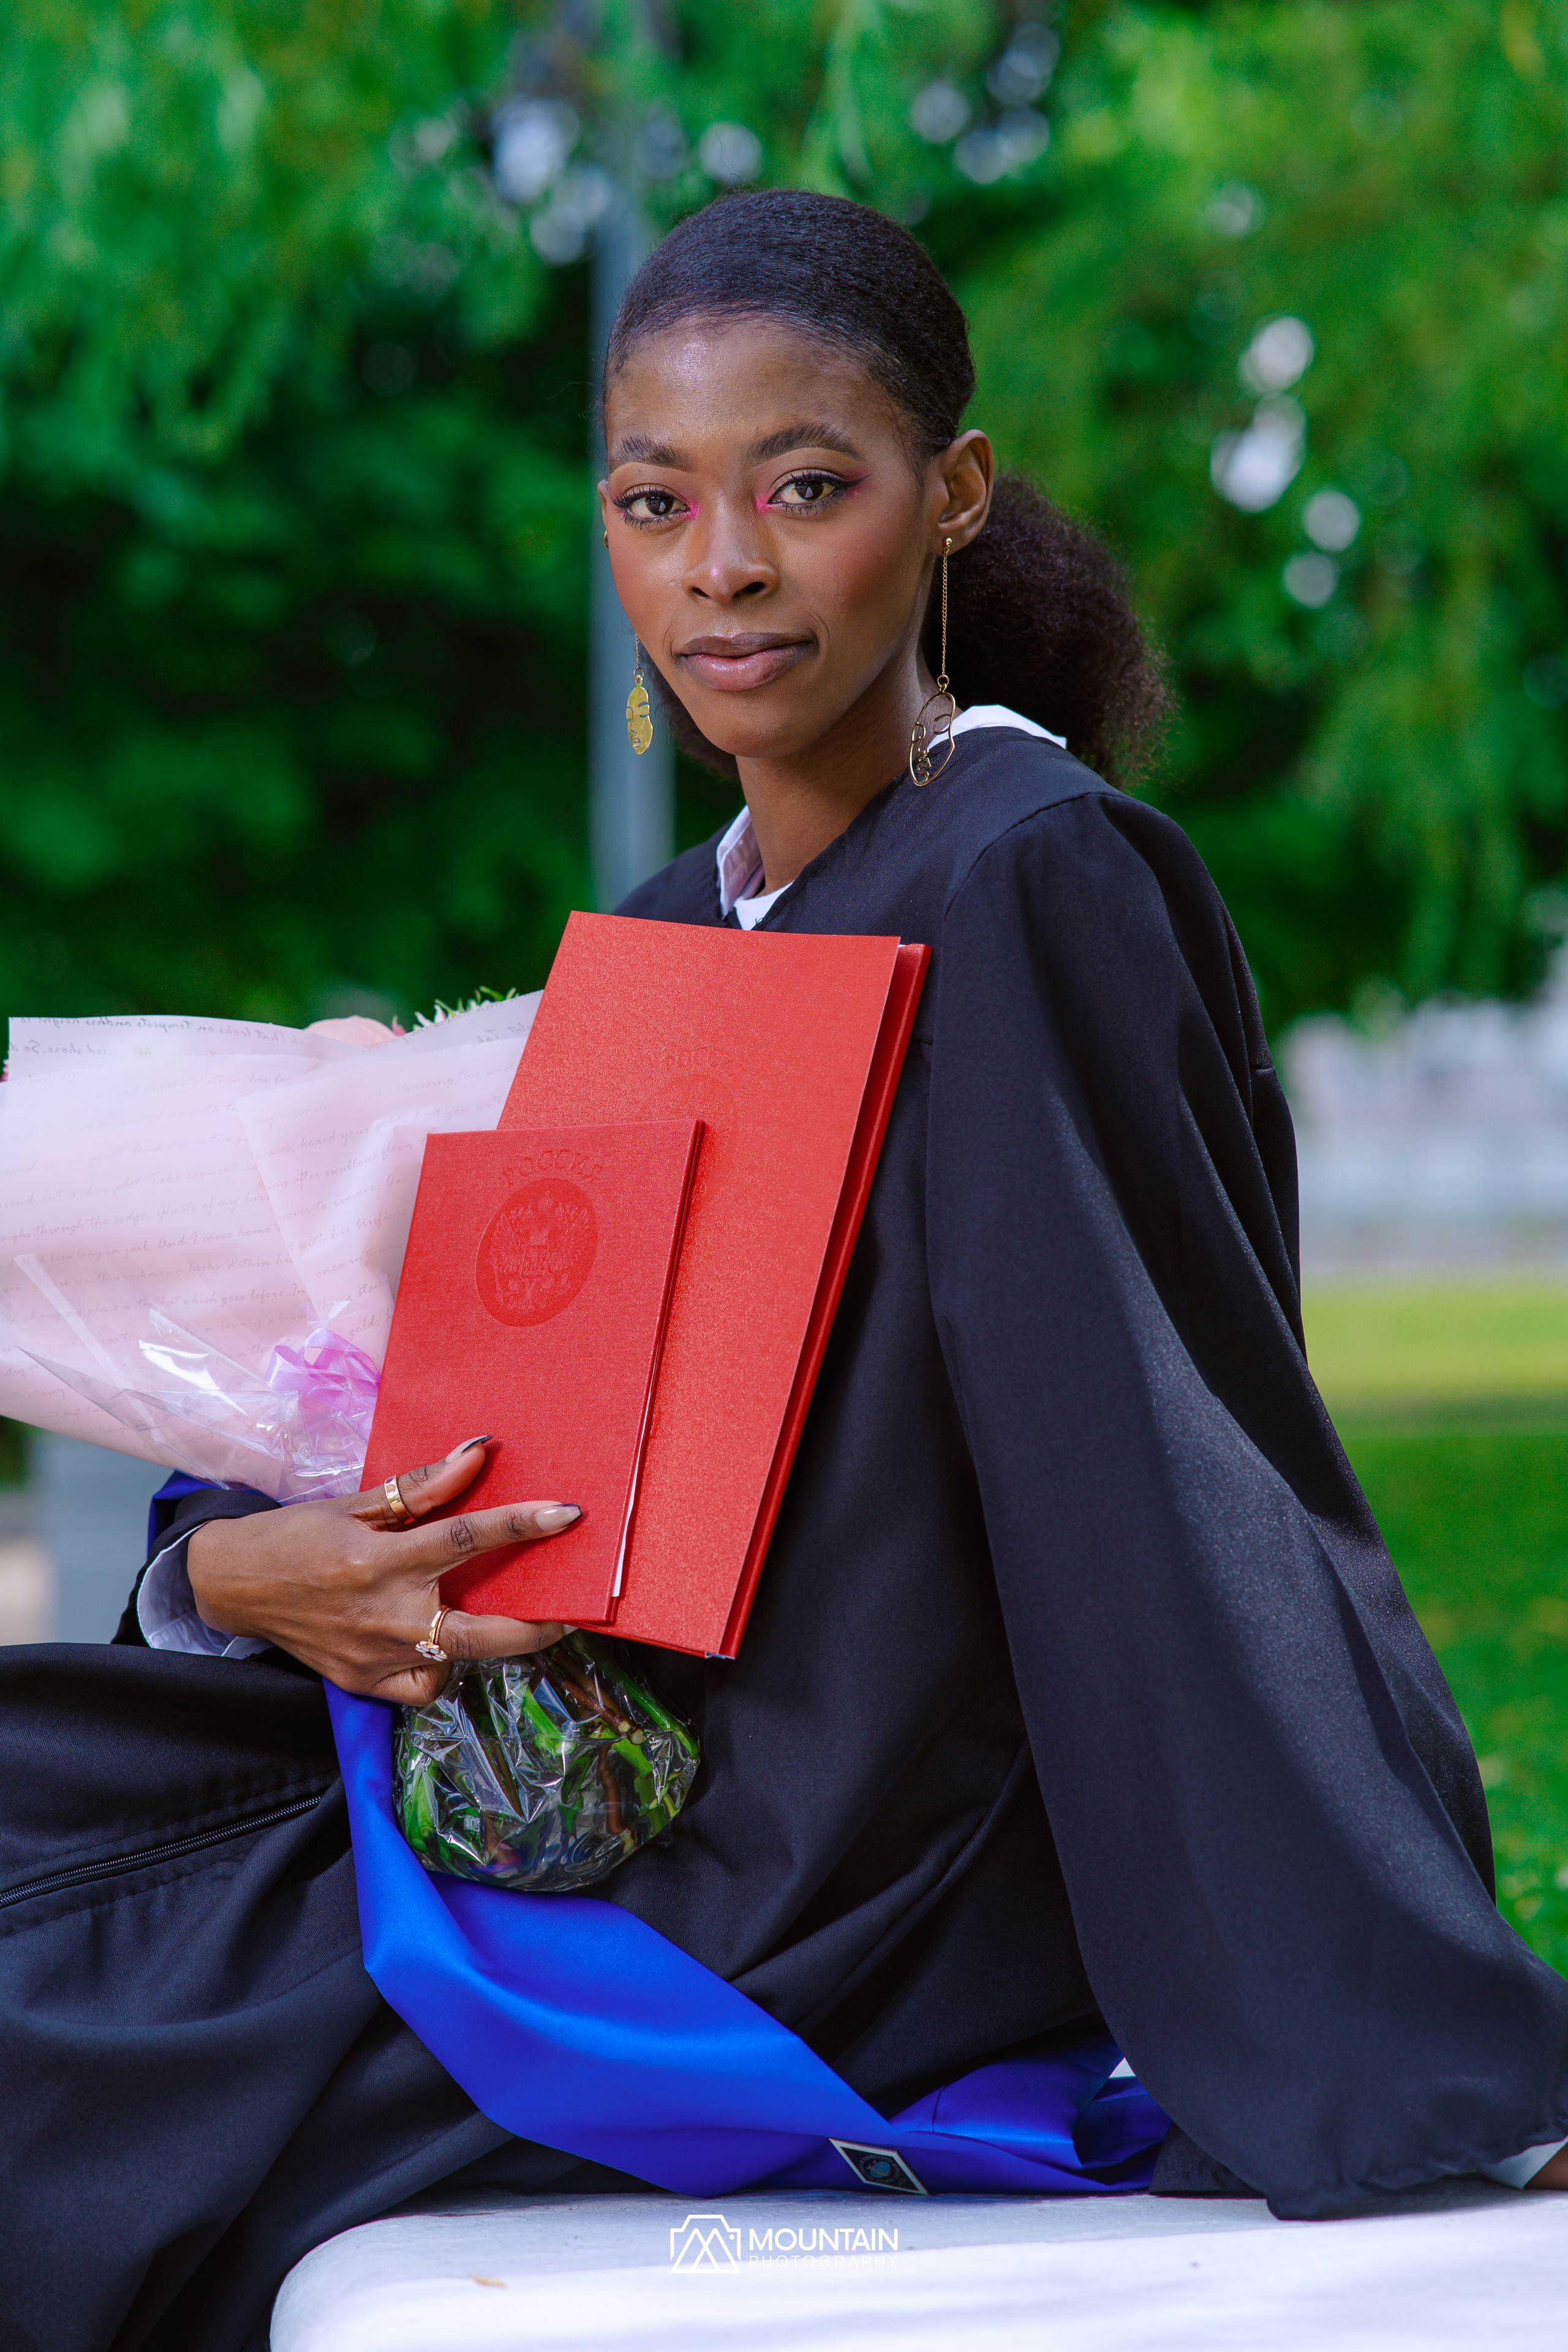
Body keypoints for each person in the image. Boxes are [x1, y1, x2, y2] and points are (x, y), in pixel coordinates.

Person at [5, 189, 1567, 2352]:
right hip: (554, 1781)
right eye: (656, 502)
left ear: (955, 499)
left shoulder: (1033, 881)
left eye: (804, 488)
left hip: (811, 1888)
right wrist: (239, 1574)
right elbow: (492, 1432)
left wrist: (1416, 2056)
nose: (719, 569)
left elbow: (1166, 1482)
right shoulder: (666, 929)